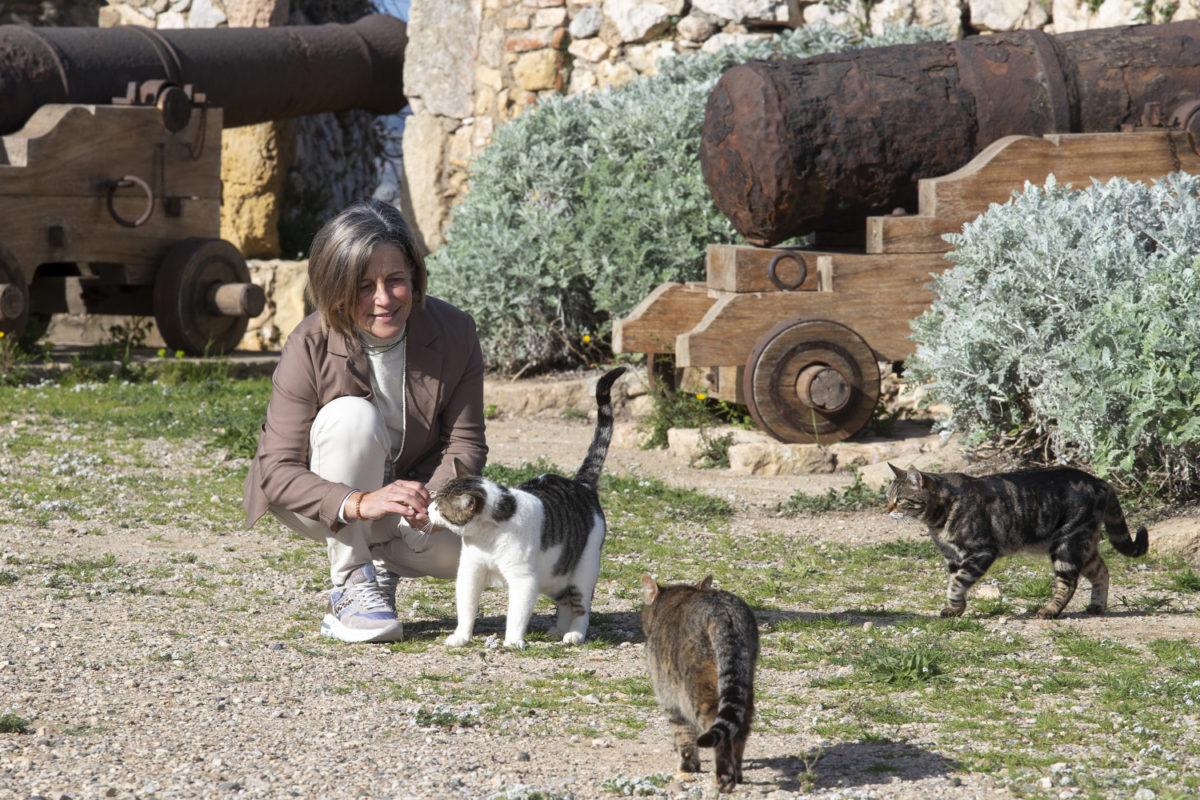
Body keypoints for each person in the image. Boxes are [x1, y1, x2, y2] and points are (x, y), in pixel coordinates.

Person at [243, 199, 487, 643]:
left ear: (415, 277)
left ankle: (382, 564)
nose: (383, 299)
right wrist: (359, 502)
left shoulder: (456, 331)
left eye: (396, 280)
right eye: (362, 286)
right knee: (351, 417)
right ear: (334, 287)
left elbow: (465, 443)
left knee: (483, 553)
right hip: (321, 503)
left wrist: (430, 503)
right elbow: (277, 471)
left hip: (407, 504)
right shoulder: (308, 343)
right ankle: (352, 583)